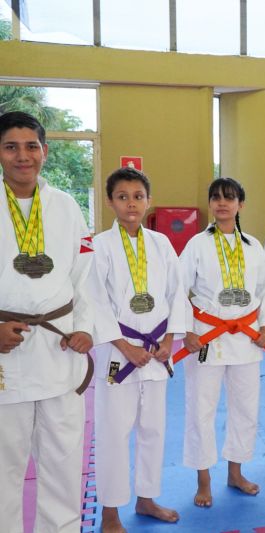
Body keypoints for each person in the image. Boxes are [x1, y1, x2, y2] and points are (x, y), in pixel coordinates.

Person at [0, 111, 94, 532]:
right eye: (11, 146)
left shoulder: (65, 205)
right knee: (4, 467)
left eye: (31, 146)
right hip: (8, 355)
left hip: (59, 348)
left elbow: (84, 276)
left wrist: (86, 327)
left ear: (45, 151)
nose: (23, 156)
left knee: (62, 461)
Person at [90, 168, 187, 531]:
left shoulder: (161, 243)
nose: (131, 203)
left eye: (138, 196)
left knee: (154, 429)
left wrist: (169, 339)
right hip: (119, 354)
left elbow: (177, 293)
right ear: (109, 201)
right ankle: (110, 512)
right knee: (114, 433)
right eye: (122, 196)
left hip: (157, 352)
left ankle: (147, 498)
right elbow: (95, 302)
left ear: (148, 200)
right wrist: (124, 346)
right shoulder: (99, 246)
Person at [178, 177, 265, 507]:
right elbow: (179, 289)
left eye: (230, 198)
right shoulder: (197, 244)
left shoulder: (254, 246)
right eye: (216, 198)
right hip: (208, 338)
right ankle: (203, 480)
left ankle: (236, 472)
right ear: (210, 204)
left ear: (241, 204)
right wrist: (186, 330)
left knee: (245, 409)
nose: (222, 203)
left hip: (247, 339)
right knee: (201, 410)